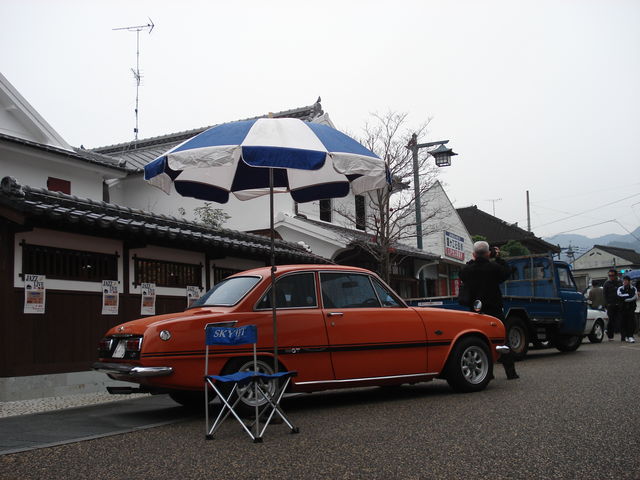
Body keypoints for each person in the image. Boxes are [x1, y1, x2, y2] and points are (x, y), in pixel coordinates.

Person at [459, 241, 518, 379]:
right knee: (502, 340)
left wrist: (473, 260)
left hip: (475, 311)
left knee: (480, 341)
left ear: (474, 254)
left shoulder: (467, 270)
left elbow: (463, 273)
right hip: (494, 310)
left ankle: (487, 373)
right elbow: (507, 272)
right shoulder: (494, 267)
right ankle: (511, 373)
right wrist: (498, 258)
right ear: (488, 253)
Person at [603, 269, 622, 341]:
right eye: (609, 275)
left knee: (621, 319)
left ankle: (623, 336)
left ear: (616, 275)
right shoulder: (606, 283)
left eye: (612, 275)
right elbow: (604, 295)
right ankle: (610, 336)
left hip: (619, 304)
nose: (611, 277)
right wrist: (606, 304)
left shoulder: (620, 283)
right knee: (611, 320)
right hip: (610, 305)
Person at [616, 275, 637, 343]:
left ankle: (630, 336)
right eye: (624, 280)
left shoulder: (633, 288)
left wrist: (626, 299)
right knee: (623, 322)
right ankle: (624, 336)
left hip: (631, 307)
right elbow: (619, 295)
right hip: (622, 308)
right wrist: (627, 295)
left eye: (626, 280)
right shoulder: (620, 288)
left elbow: (634, 296)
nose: (624, 282)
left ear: (629, 281)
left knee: (631, 322)